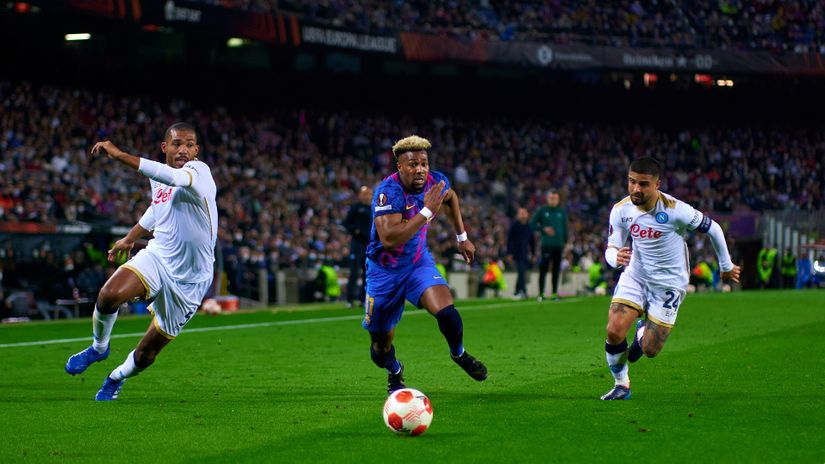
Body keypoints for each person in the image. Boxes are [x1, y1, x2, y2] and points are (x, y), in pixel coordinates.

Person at [65, 122, 218, 401]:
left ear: (196, 149)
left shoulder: (199, 172)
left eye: (189, 144)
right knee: (109, 294)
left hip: (191, 280)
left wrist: (121, 155)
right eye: (176, 144)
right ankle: (99, 347)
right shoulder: (159, 179)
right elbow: (156, 209)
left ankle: (116, 377)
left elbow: (175, 180)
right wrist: (129, 238)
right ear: (165, 147)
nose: (183, 149)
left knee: (147, 353)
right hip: (159, 255)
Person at [600, 157, 741, 400]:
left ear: (657, 184)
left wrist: (725, 265)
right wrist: (615, 258)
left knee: (651, 350)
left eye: (643, 184)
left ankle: (642, 333)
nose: (636, 189)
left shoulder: (676, 210)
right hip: (636, 275)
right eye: (632, 182)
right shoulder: (621, 210)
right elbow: (612, 247)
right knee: (614, 331)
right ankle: (621, 385)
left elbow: (714, 228)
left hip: (669, 283)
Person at [364, 135, 487, 394]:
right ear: (400, 167)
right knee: (380, 348)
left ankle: (459, 354)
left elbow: (451, 197)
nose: (419, 169)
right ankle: (395, 370)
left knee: (446, 311)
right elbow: (389, 239)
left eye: (424, 163)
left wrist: (462, 238)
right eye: (412, 164)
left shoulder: (435, 182)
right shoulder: (388, 192)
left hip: (417, 263)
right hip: (384, 272)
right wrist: (427, 212)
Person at [530, 190, 568, 301]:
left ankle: (554, 293)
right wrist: (543, 229)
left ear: (558, 200)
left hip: (559, 245)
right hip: (546, 245)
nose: (553, 201)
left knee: (556, 269)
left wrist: (565, 242)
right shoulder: (542, 211)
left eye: (555, 198)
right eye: (551, 198)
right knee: (544, 269)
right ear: (547, 199)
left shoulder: (561, 212)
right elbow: (532, 225)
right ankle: (541, 294)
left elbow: (564, 228)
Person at [342, 185, 373, 308]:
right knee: (354, 272)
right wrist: (356, 231)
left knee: (367, 273)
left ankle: (363, 299)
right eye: (365, 193)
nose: (367, 196)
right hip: (357, 244)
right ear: (360, 195)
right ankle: (349, 300)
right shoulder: (356, 208)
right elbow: (346, 223)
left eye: (369, 193)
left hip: (369, 245)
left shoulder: (373, 208)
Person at [507, 207, 533, 299]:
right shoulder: (514, 225)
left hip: (525, 253)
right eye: (521, 213)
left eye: (524, 213)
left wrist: (533, 254)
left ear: (527, 214)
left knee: (522, 272)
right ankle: (523, 291)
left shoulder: (529, 226)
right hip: (516, 253)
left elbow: (532, 241)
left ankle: (517, 291)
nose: (522, 215)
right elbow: (509, 240)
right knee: (521, 271)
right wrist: (509, 253)